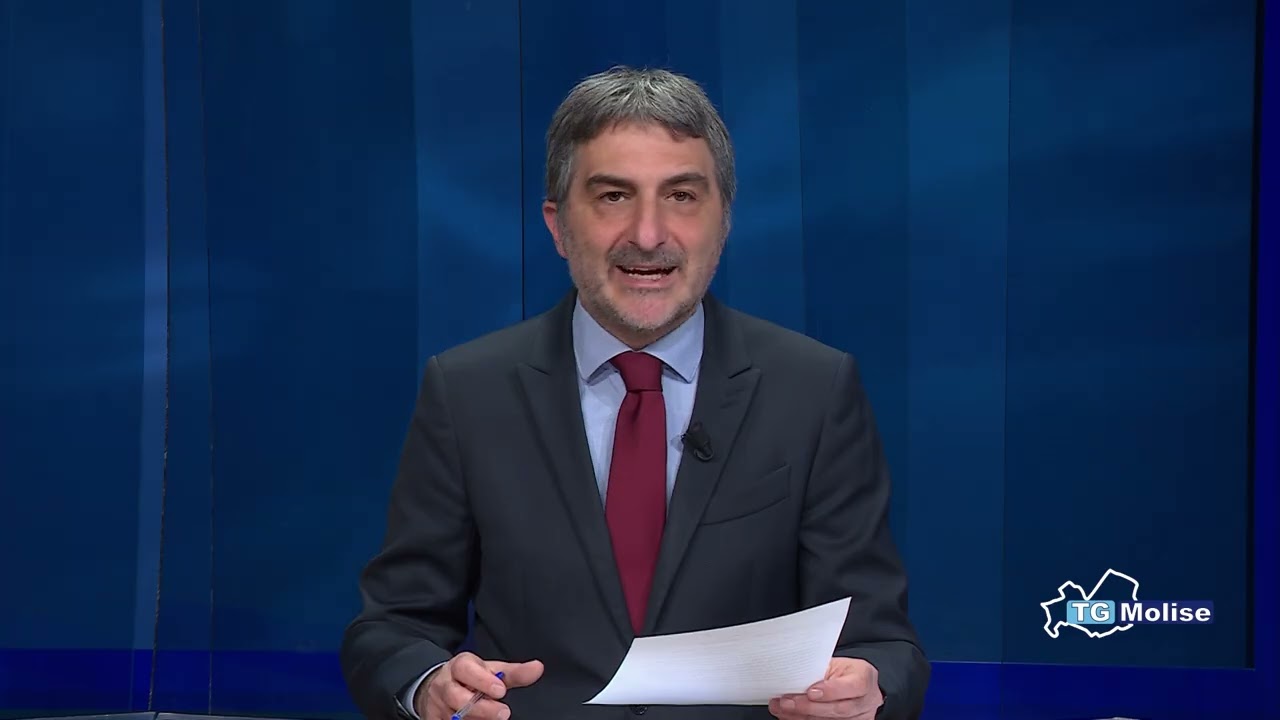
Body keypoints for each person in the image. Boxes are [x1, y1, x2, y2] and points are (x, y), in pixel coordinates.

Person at [340, 66, 929, 720]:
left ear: (723, 223)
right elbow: (393, 627)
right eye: (614, 196)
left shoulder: (814, 389)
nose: (648, 235)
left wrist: (869, 688)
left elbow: (881, 641)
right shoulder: (468, 392)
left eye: (682, 195)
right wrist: (429, 685)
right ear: (558, 225)